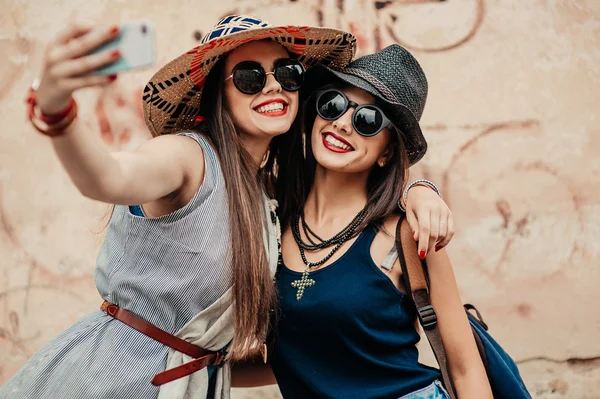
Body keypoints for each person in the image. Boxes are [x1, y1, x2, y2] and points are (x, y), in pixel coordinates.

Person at [2, 15, 357, 399]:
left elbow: (361, 194)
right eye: (249, 77)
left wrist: (417, 192)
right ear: (217, 94)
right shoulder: (189, 157)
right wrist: (56, 113)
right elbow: (110, 178)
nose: (273, 86)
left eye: (288, 74)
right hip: (109, 379)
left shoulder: (266, 196)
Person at [267, 45, 493, 398]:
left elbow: (464, 367)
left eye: (368, 120)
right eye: (333, 105)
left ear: (388, 151)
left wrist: (420, 188)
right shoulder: (271, 224)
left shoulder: (407, 234)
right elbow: (291, 356)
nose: (342, 123)